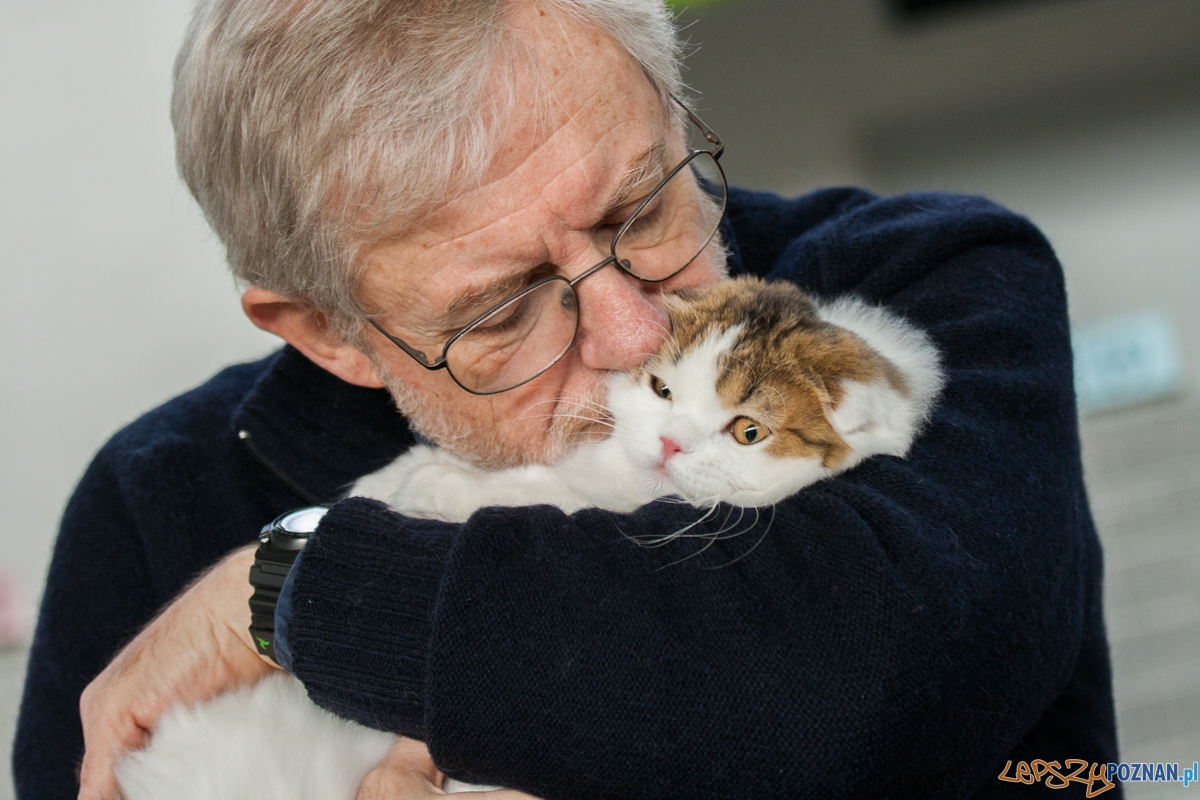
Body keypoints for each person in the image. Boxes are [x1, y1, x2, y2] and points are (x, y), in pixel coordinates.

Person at [13, 1, 1120, 798]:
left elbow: (862, 679)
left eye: (642, 210)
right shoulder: (150, 503)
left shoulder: (932, 281)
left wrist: (298, 583)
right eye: (503, 311)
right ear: (331, 334)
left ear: (678, 114)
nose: (639, 334)